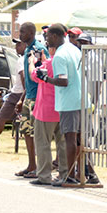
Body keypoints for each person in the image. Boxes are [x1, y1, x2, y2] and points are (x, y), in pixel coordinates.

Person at [39, 24, 83, 184]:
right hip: (82, 99)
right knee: (80, 139)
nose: (46, 39)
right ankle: (84, 174)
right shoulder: (74, 49)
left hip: (69, 102)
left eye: (48, 36)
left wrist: (46, 78)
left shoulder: (59, 55)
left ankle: (70, 176)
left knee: (70, 138)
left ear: (56, 37)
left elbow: (63, 81)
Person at [28, 44, 68, 186]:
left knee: (42, 143)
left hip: (46, 110)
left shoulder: (49, 63)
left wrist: (32, 62)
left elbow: (33, 75)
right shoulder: (65, 61)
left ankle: (44, 175)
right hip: (62, 108)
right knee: (62, 144)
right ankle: (64, 173)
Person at [15, 21, 48, 178]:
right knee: (27, 131)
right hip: (29, 96)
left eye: (22, 32)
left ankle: (39, 167)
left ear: (31, 33)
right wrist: (21, 99)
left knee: (37, 134)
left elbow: (40, 74)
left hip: (37, 97)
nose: (20, 35)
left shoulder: (37, 50)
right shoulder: (28, 49)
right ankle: (31, 165)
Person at [0, 39, 26, 150]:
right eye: (16, 44)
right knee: (2, 117)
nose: (17, 46)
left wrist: (23, 97)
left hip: (20, 93)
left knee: (24, 122)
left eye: (19, 44)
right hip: (16, 92)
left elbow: (23, 78)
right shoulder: (21, 58)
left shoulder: (22, 60)